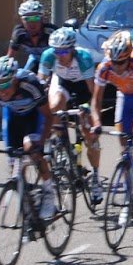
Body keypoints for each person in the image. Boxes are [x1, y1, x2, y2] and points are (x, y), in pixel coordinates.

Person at [0, 56, 57, 220]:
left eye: (6, 84)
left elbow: (48, 116)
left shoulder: (30, 84)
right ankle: (28, 207)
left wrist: (40, 144)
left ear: (14, 79)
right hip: (13, 117)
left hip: (35, 115)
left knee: (31, 150)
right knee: (13, 164)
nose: (2, 90)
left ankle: (49, 193)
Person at [39, 26, 103, 203]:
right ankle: (61, 143)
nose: (61, 54)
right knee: (53, 106)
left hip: (83, 89)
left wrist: (91, 112)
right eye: (57, 51)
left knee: (90, 137)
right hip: (63, 84)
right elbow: (40, 84)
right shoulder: (48, 56)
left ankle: (96, 177)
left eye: (65, 51)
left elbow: (93, 92)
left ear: (72, 48)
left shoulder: (83, 58)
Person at [93, 30, 133, 166]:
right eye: (114, 62)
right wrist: (97, 122)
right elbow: (97, 100)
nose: (117, 67)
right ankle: (128, 171)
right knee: (122, 134)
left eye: (121, 62)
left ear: (128, 58)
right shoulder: (104, 68)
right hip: (125, 94)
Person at [8, 0, 55, 69]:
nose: (32, 23)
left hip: (52, 61)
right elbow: (9, 57)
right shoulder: (19, 34)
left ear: (42, 19)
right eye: (27, 19)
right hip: (34, 59)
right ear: (22, 20)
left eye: (36, 18)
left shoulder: (51, 31)